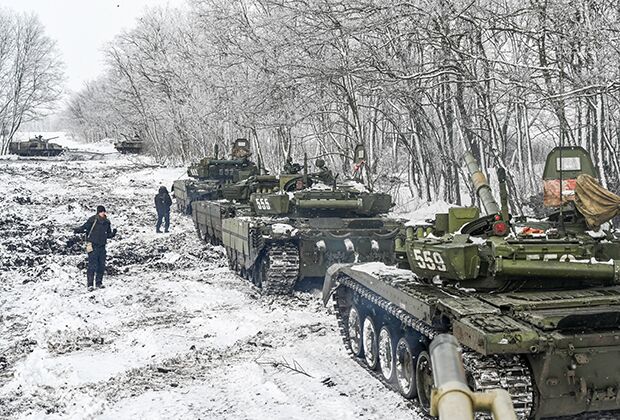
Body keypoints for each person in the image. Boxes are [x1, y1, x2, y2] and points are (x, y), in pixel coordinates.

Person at [74, 205, 117, 291]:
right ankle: (90, 284)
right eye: (101, 211)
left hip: (102, 246)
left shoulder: (107, 222)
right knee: (92, 265)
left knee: (101, 265)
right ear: (98, 212)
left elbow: (108, 235)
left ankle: (98, 283)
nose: (102, 213)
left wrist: (113, 234)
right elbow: (84, 227)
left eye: (103, 211)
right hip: (92, 245)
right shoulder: (92, 220)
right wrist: (77, 230)